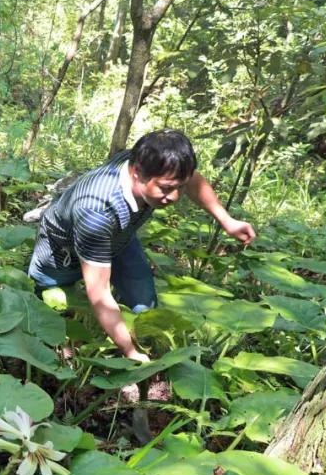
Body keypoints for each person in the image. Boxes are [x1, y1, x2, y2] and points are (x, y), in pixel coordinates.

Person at [27, 130, 255, 362]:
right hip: (62, 248)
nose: (175, 197)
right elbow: (99, 293)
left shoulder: (151, 162)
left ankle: (145, 340)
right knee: (47, 304)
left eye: (179, 187)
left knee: (144, 301)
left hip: (120, 236)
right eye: (166, 188)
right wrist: (130, 352)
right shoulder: (96, 212)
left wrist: (227, 221)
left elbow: (193, 179)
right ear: (137, 173)